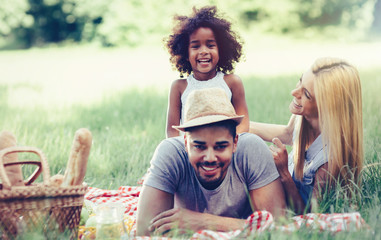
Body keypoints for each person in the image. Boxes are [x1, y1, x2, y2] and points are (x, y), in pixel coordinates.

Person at [136, 88, 285, 236]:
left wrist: (206, 222)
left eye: (220, 147)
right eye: (199, 147)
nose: (210, 158)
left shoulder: (252, 149)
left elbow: (278, 226)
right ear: (186, 142)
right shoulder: (170, 153)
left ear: (234, 142)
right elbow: (145, 232)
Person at [249, 57, 363, 214]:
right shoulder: (304, 116)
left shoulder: (329, 161)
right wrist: (238, 125)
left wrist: (284, 173)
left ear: (327, 108)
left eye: (306, 94)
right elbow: (288, 133)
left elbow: (309, 215)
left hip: (283, 206)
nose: (294, 92)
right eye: (300, 82)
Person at [165, 6, 249, 138]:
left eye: (210, 45)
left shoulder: (232, 82)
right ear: (185, 53)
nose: (203, 51)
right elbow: (172, 131)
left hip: (225, 148)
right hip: (192, 150)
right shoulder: (179, 87)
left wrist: (228, 145)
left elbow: (243, 125)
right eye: (195, 46)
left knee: (252, 141)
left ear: (221, 50)